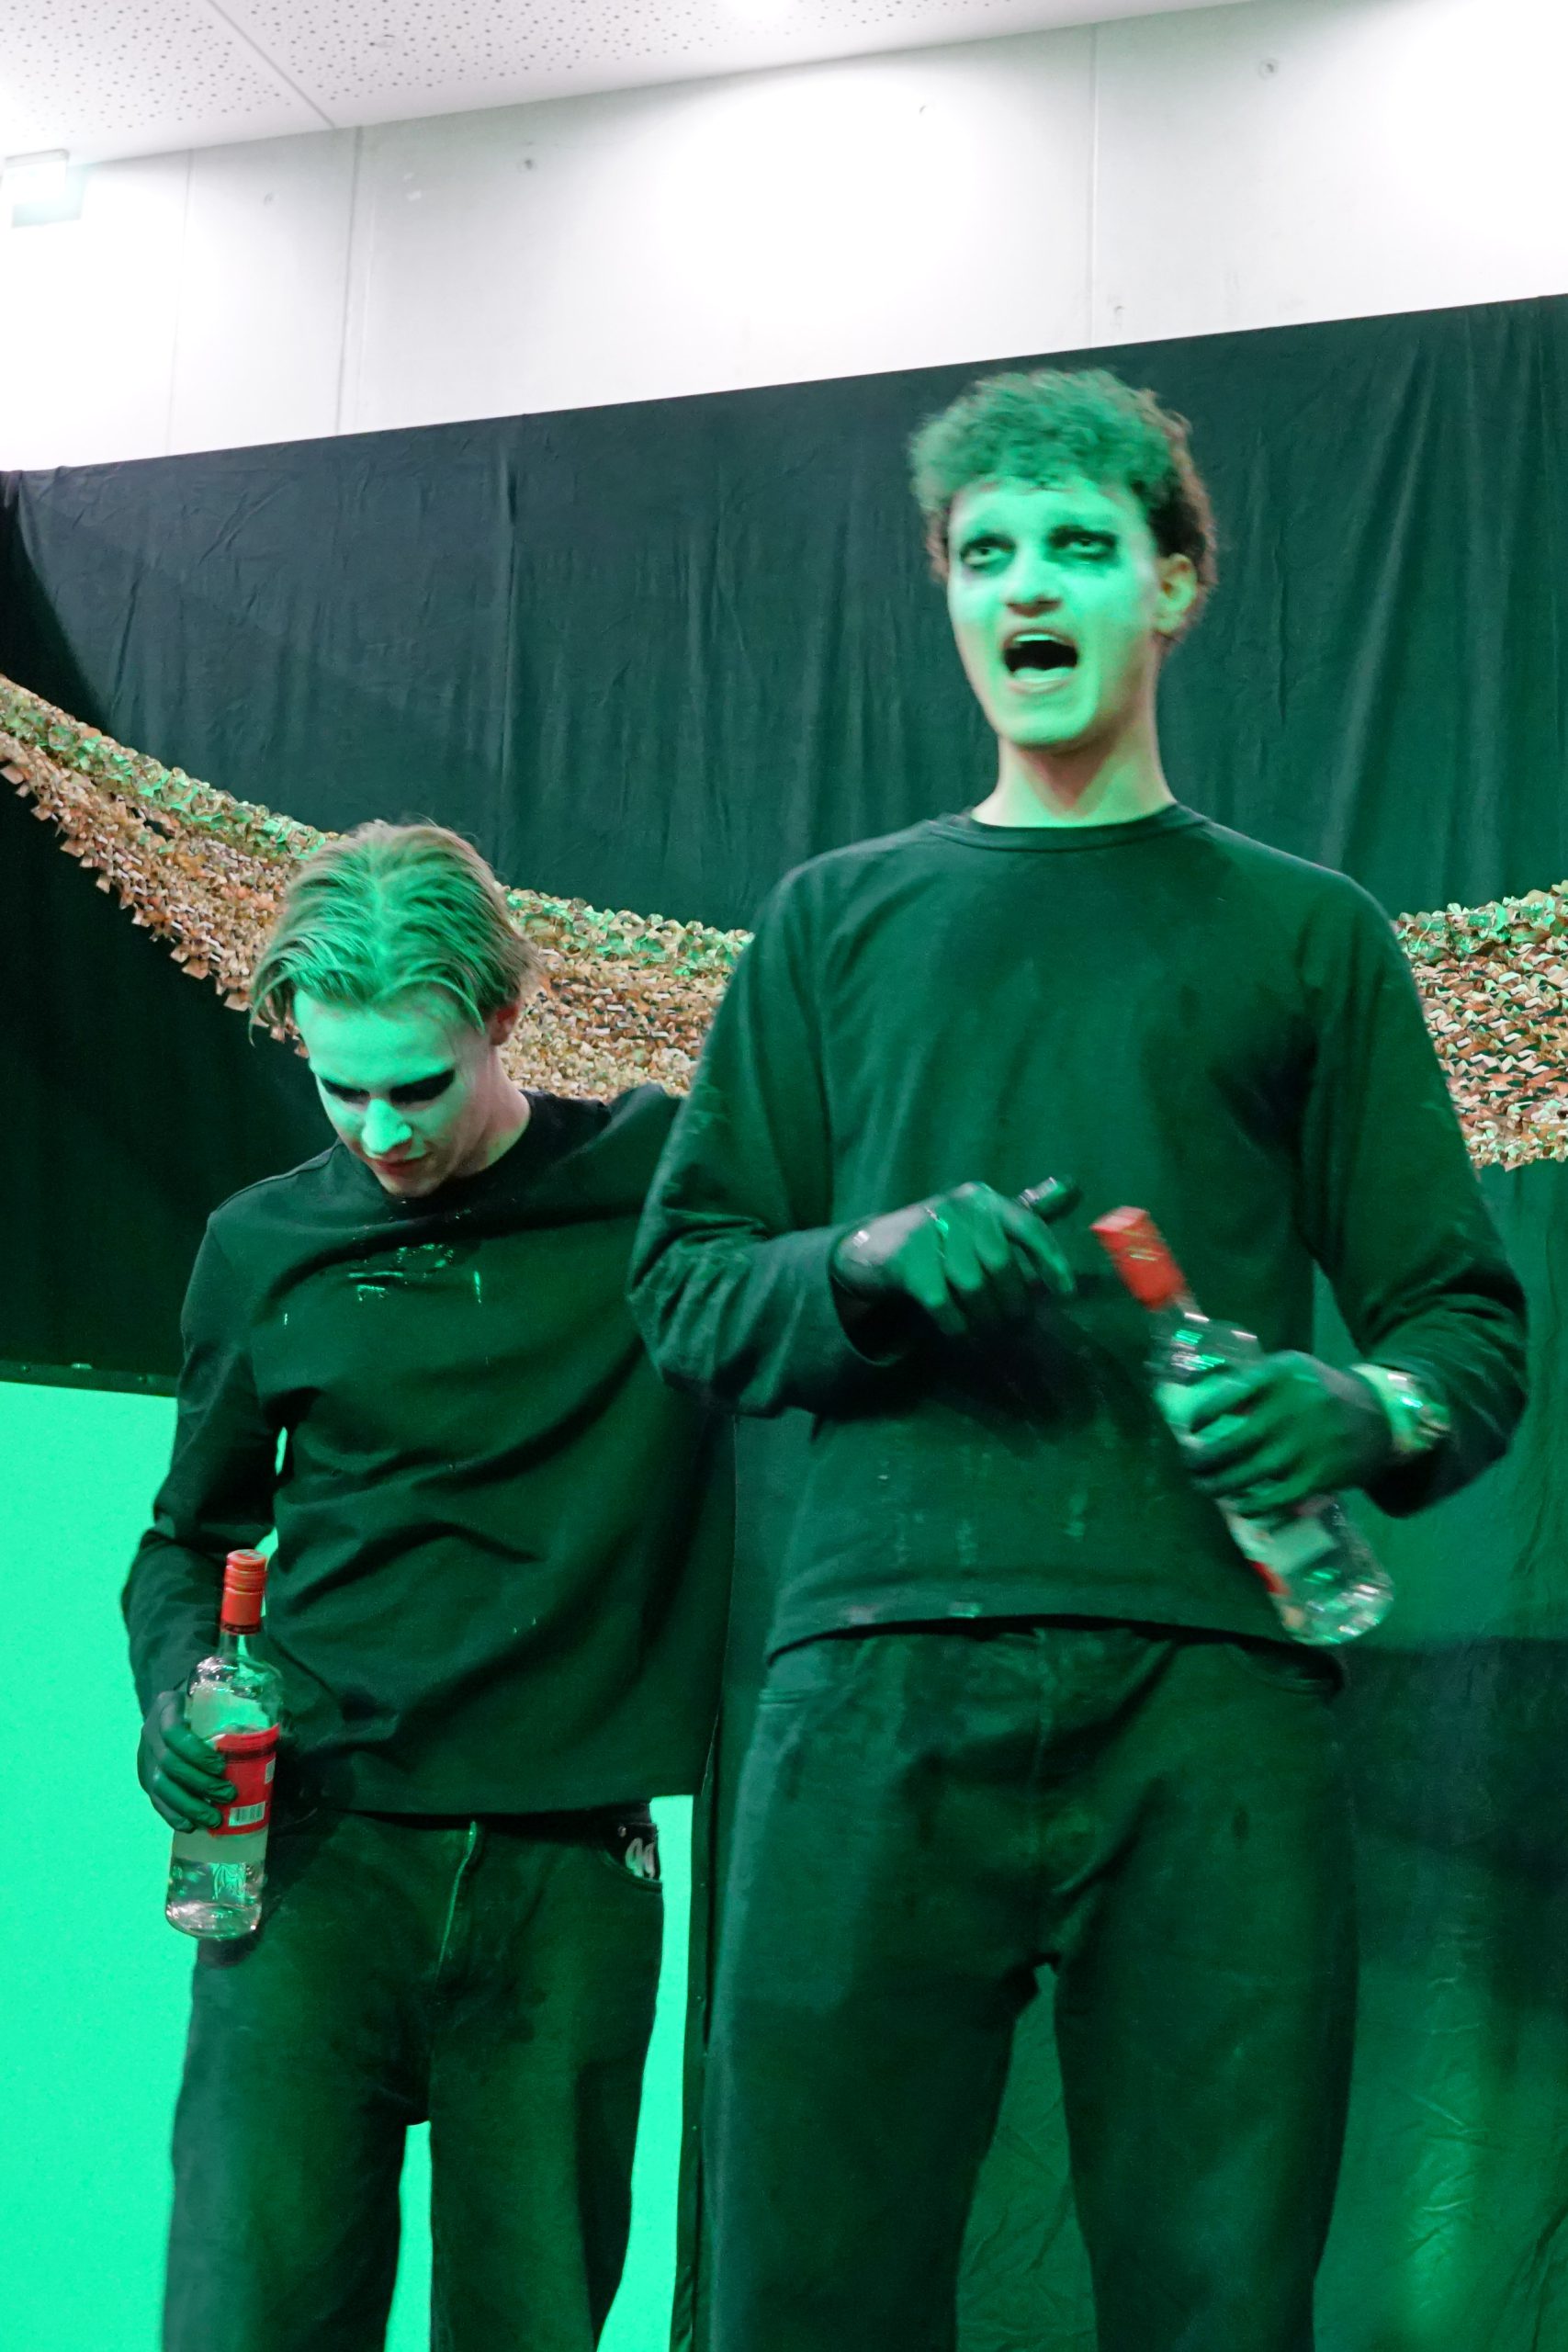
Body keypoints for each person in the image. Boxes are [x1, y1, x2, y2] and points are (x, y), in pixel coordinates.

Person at [627, 367, 1528, 2352]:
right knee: (806, 2294)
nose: (1025, 584)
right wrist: (863, 1263)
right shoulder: (832, 924)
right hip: (874, 1683)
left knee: (1217, 2297)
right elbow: (683, 1285)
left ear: (1174, 585)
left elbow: (1462, 1329)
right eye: (986, 552)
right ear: (951, 593)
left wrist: (1352, 1405)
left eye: (1078, 546)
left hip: (1207, 1694)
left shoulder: (1306, 935)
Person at [125, 821, 729, 2352]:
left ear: (504, 1018)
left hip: (566, 1872)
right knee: (243, 2322)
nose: (379, 1130)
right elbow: (185, 1538)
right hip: (308, 1864)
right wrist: (174, 1697)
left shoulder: (659, 1185)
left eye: (416, 1085)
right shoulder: (262, 1246)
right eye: (340, 1088)